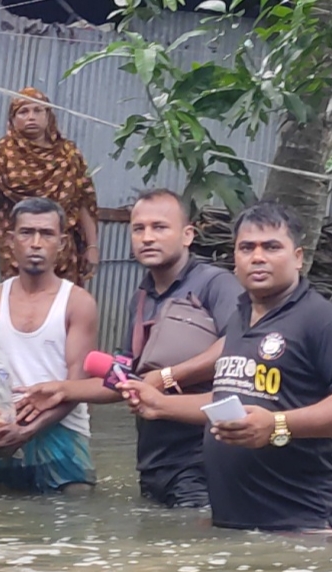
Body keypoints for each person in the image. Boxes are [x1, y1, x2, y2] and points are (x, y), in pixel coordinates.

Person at [120, 200, 332, 531]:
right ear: (235, 259)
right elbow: (235, 402)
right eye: (247, 248)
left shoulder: (322, 320)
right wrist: (161, 405)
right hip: (238, 522)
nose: (258, 257)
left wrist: (277, 425)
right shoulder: (242, 315)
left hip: (302, 523)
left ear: (298, 257)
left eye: (271, 247)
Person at [17, 189, 243, 508]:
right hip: (154, 462)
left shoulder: (215, 284)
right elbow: (124, 378)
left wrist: (165, 377)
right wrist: (62, 390)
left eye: (159, 227)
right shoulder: (140, 299)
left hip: (205, 459)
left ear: (187, 235)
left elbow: (240, 344)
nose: (147, 237)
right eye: (139, 229)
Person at [0, 197, 99, 494]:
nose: (36, 243)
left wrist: (26, 430)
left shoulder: (77, 303)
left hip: (63, 434)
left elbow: (77, 385)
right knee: (4, 526)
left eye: (46, 234)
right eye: (26, 233)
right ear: (11, 240)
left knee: (73, 513)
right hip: (5, 433)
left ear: (61, 243)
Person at [0, 87, 100, 286]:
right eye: (23, 112)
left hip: (62, 251)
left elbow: (84, 201)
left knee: (63, 306)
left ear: (48, 116)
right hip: (19, 252)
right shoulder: (4, 152)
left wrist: (92, 246)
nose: (31, 117)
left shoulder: (68, 153)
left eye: (37, 110)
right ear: (12, 120)